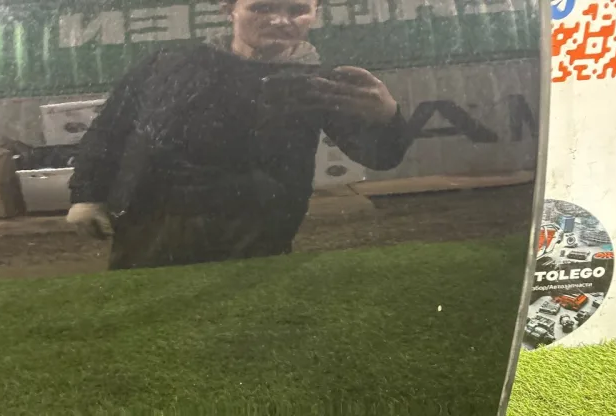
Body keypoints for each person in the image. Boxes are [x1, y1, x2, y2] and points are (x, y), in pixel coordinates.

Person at [66, 0, 411, 270]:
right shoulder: (167, 64)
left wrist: (388, 117)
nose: (280, 20)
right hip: (149, 230)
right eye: (262, 7)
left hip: (254, 238)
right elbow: (110, 129)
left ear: (315, 13)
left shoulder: (318, 82)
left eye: (297, 10)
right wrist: (86, 196)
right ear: (228, 8)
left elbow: (381, 157)